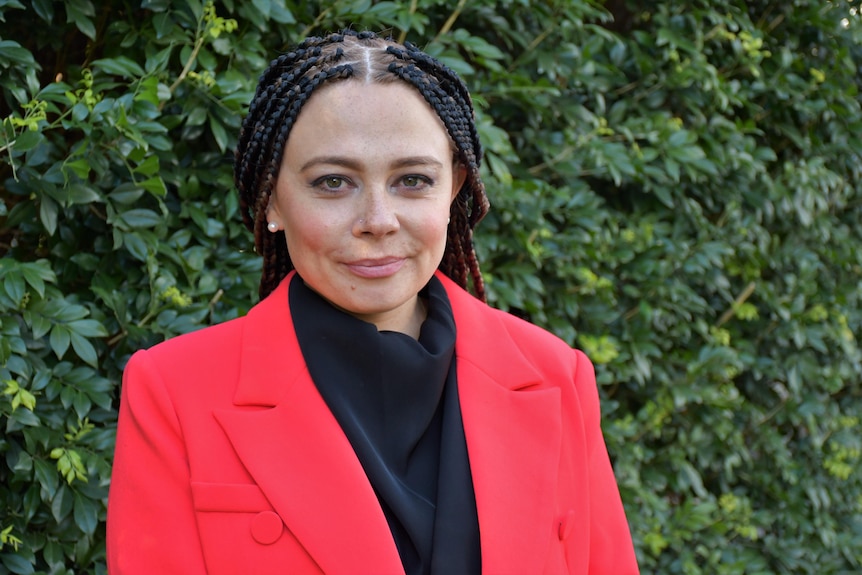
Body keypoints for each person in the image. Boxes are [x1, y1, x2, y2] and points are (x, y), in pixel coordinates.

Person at [107, 30, 639, 575]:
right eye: (333, 183)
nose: (378, 221)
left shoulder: (556, 375)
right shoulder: (173, 390)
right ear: (270, 199)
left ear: (453, 189)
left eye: (412, 180)